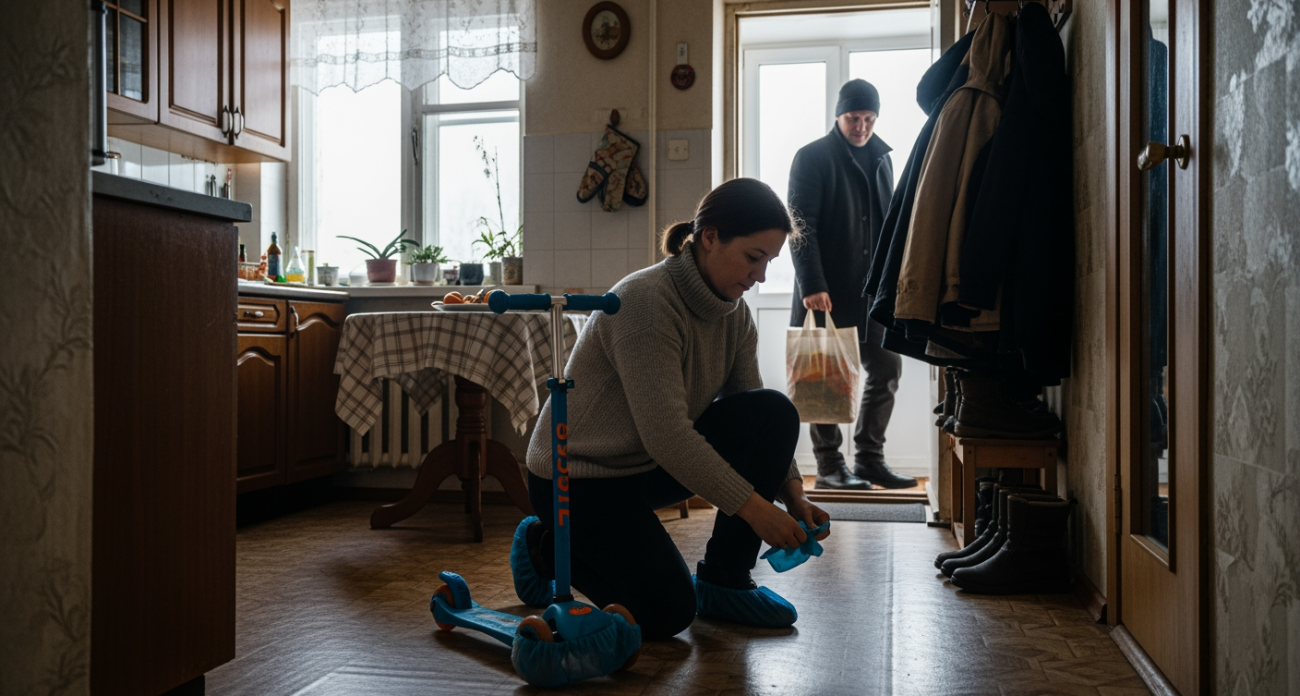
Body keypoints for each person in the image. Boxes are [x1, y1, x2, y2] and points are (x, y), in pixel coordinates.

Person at [510, 178, 831, 641]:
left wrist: (793, 493)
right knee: (666, 613)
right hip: (576, 480)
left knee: (773, 411)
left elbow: (754, 409)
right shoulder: (644, 302)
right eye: (753, 257)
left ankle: (725, 579)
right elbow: (668, 435)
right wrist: (757, 512)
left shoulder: (734, 313)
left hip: (643, 469)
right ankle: (544, 544)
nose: (761, 276)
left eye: (770, 262)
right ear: (709, 237)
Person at [787, 78, 917, 491]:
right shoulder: (811, 157)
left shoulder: (883, 158)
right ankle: (828, 466)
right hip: (825, 290)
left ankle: (869, 459)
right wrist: (811, 282)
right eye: (853, 118)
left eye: (868, 118)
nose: (861, 126)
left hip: (873, 293)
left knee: (887, 369)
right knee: (826, 378)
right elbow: (799, 227)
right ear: (838, 116)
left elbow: (888, 226)